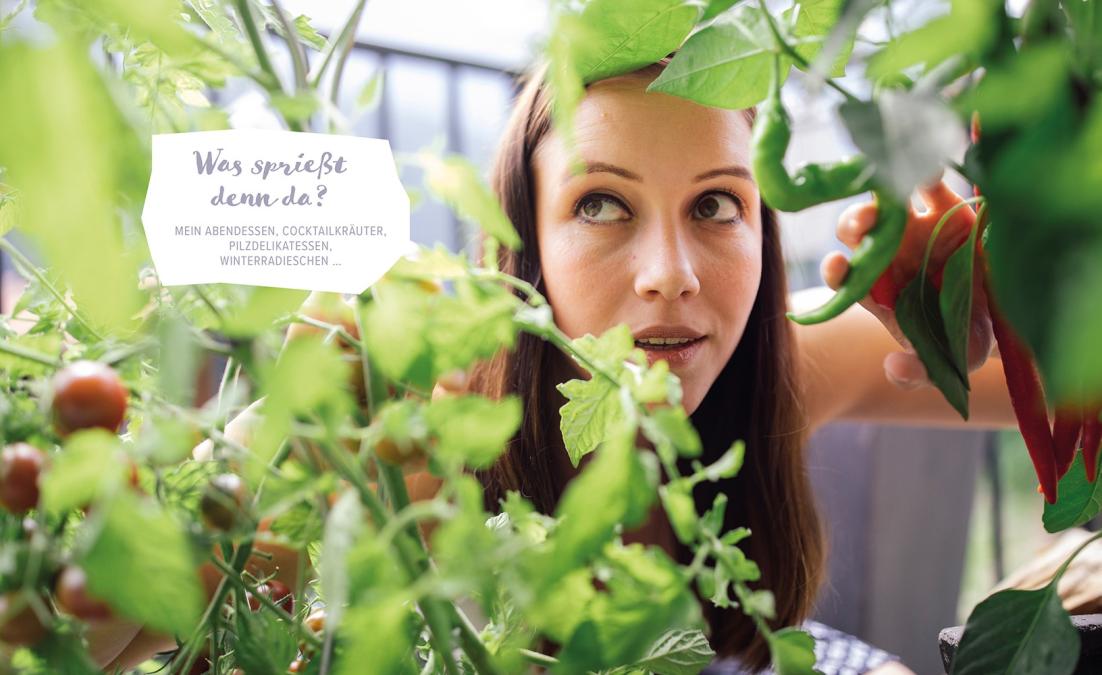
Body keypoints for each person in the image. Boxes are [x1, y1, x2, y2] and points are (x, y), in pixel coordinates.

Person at [100, 56, 1015, 673]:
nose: (670, 275)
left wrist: (993, 303)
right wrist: (260, 453)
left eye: (715, 206)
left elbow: (1065, 378)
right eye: (602, 204)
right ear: (526, 246)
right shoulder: (431, 420)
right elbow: (113, 627)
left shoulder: (770, 367)